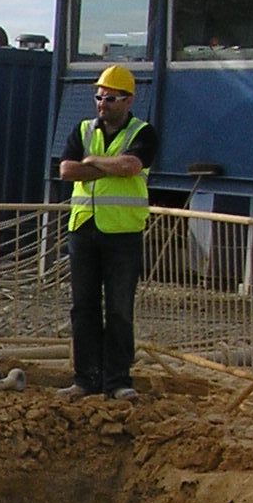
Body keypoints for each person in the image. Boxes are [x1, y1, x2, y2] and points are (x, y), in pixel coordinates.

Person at [57, 63, 158, 400]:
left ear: (128, 101)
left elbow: (131, 166)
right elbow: (67, 170)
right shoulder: (83, 129)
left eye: (111, 99)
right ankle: (86, 377)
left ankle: (117, 380)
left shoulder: (143, 133)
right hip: (84, 230)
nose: (103, 104)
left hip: (123, 234)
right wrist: (107, 167)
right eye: (99, 97)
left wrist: (92, 162)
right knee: (83, 306)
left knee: (118, 308)